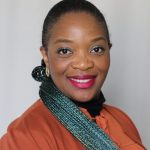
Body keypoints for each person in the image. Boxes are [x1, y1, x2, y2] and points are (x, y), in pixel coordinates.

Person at [0, 0, 146, 149]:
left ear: (109, 50)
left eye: (96, 49)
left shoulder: (122, 120)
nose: (83, 64)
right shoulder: (25, 137)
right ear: (46, 56)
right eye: (65, 51)